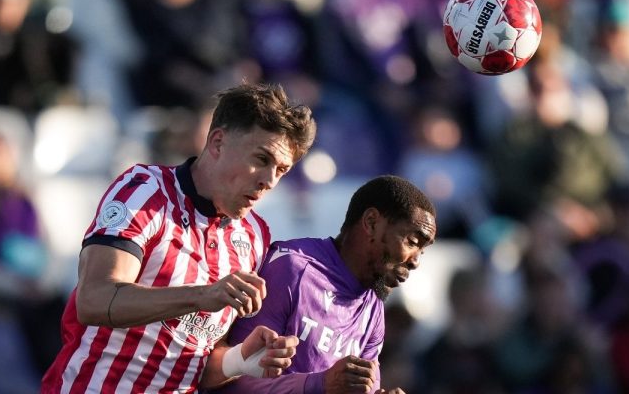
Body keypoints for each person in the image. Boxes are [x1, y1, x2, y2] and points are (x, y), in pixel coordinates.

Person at [41, 82, 316, 393]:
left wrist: (240, 361)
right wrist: (200, 295)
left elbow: (195, 365)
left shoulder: (254, 235)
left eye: (281, 170)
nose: (269, 180)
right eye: (262, 159)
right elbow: (94, 300)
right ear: (217, 142)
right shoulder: (146, 192)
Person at [205, 175, 437, 394]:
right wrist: (320, 384)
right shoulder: (291, 269)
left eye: (423, 251)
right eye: (412, 241)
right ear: (371, 222)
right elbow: (231, 380)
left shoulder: (373, 309)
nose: (416, 261)